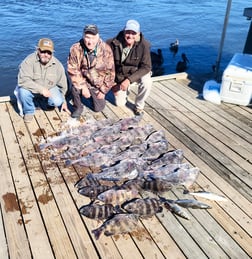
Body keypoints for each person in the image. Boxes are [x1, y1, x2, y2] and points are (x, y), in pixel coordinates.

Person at [16, 38, 70, 123]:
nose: (46, 55)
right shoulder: (28, 61)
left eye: (49, 53)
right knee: (23, 92)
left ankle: (42, 100)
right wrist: (41, 90)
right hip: (32, 89)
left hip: (49, 89)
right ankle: (29, 111)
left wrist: (63, 101)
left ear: (52, 53)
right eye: (43, 51)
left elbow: (63, 86)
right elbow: (23, 80)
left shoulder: (58, 65)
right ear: (38, 50)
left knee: (57, 101)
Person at [67, 24, 115, 118]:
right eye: (87, 38)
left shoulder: (106, 49)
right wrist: (83, 87)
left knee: (98, 108)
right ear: (83, 36)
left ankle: (91, 97)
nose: (90, 41)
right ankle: (78, 107)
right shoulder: (75, 48)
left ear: (98, 37)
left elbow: (110, 72)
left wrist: (103, 90)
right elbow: (73, 70)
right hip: (82, 80)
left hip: (97, 83)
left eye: (93, 38)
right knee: (75, 88)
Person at [107, 19, 152, 115]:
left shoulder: (144, 45)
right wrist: (112, 83)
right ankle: (125, 89)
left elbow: (146, 67)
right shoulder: (111, 43)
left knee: (147, 82)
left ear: (138, 34)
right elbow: (106, 66)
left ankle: (139, 106)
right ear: (124, 31)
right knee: (119, 104)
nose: (130, 36)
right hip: (119, 76)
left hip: (136, 73)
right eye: (128, 32)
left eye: (133, 33)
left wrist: (129, 80)